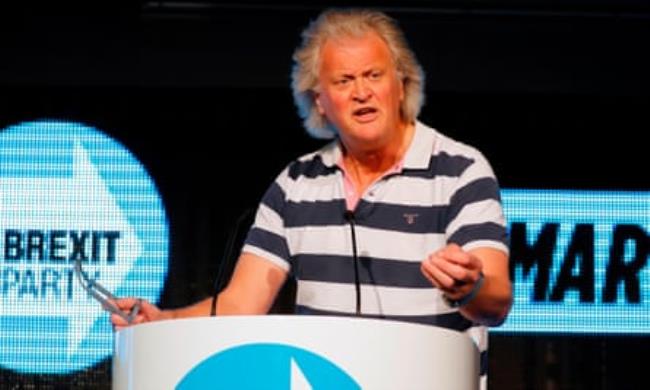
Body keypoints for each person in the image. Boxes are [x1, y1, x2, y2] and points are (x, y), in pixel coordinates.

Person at [112, 8, 512, 386]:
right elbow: (238, 306)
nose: (362, 92)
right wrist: (164, 321)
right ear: (320, 100)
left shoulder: (461, 170)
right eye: (344, 81)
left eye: (374, 75)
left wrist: (470, 287)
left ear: (400, 83)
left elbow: (496, 302)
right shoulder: (296, 184)